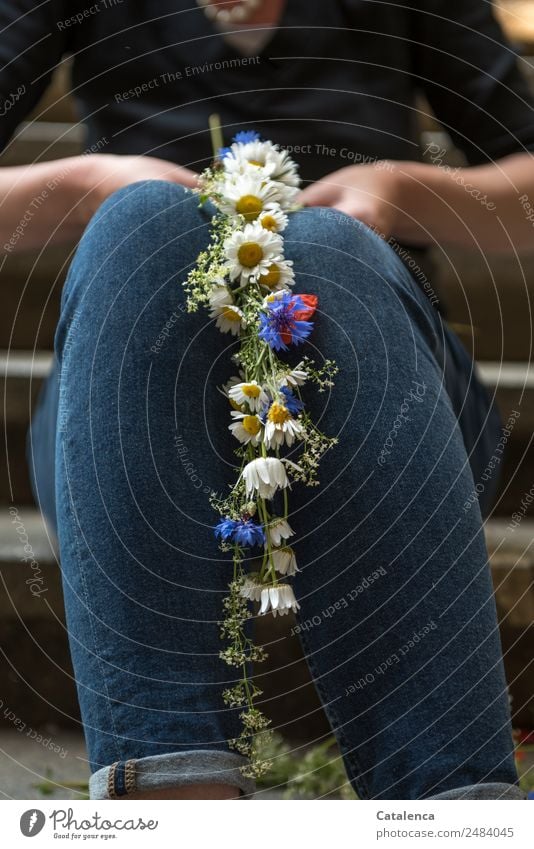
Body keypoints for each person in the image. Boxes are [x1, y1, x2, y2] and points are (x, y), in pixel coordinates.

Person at [1, 0, 533, 800]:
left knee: (329, 245)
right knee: (142, 221)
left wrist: (398, 194)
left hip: (398, 406)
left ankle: (452, 804)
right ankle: (174, 791)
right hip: (122, 418)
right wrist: (84, 189)